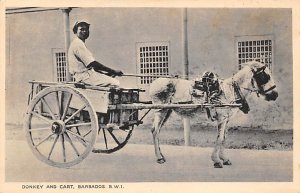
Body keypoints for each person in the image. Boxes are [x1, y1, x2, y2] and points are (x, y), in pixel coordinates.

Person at [68, 20, 123, 87]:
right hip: (84, 77)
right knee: (115, 82)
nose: (85, 31)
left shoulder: (78, 43)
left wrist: (106, 74)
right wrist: (113, 71)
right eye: (81, 29)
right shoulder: (78, 44)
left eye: (86, 29)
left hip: (87, 75)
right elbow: (92, 63)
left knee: (110, 79)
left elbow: (90, 67)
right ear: (75, 31)